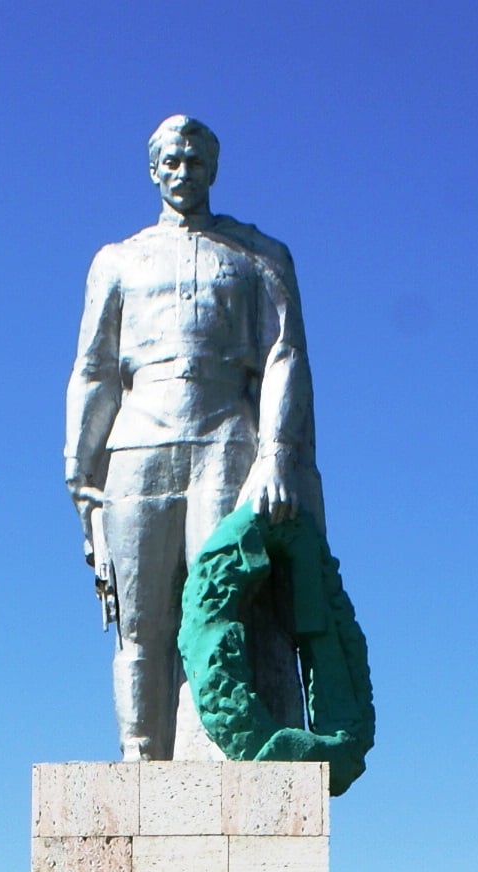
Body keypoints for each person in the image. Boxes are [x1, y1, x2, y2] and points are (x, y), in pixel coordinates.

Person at [67, 115, 323, 759]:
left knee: (222, 610)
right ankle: (138, 756)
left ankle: (218, 750)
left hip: (225, 444)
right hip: (137, 446)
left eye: (196, 162)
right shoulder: (117, 261)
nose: (184, 173)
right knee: (139, 622)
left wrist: (278, 453)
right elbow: (94, 372)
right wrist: (81, 480)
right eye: (172, 162)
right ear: (154, 170)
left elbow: (284, 356)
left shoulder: (260, 254)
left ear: (214, 169)